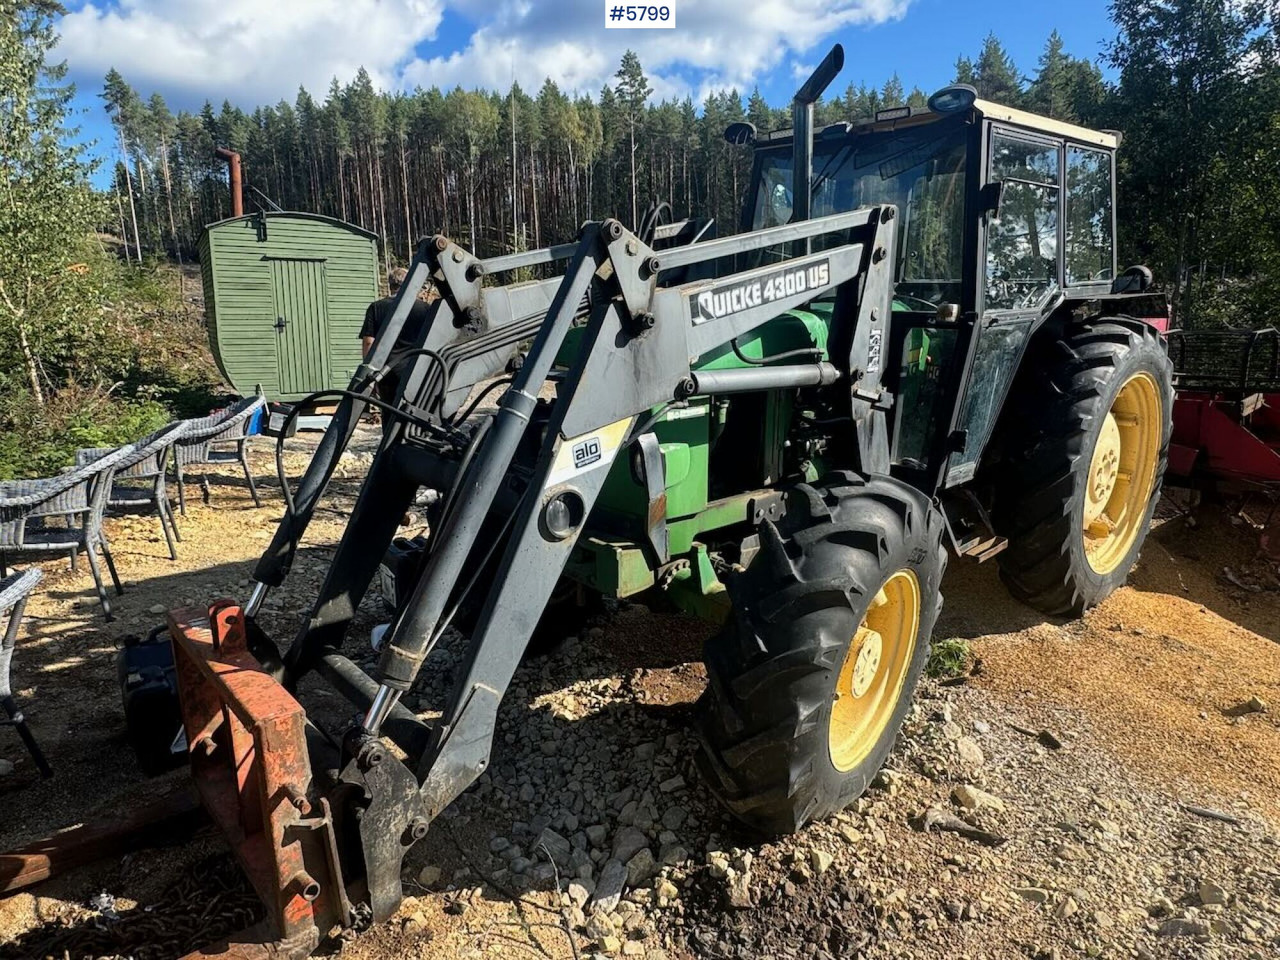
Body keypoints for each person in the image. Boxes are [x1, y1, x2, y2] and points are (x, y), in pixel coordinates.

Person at [360, 267, 438, 405]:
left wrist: (368, 375)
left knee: (389, 411)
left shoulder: (376, 307)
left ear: (390, 285)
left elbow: (368, 342)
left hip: (386, 372)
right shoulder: (424, 308)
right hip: (415, 370)